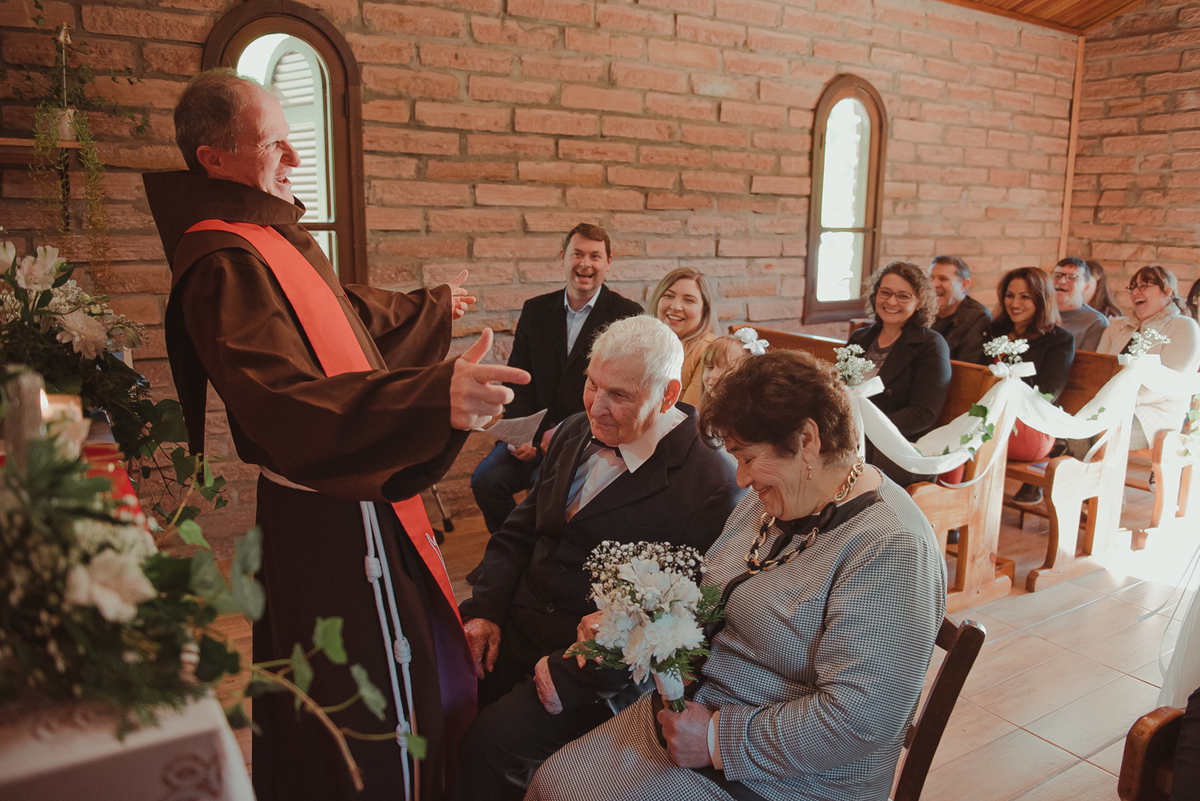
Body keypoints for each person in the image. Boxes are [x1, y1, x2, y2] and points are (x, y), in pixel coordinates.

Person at [144, 69, 530, 801]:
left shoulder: (266, 236)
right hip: (326, 512)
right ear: (213, 159)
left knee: (406, 660)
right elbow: (282, 402)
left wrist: (432, 305)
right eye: (275, 145)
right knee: (364, 686)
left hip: (355, 496)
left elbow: (344, 315)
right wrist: (432, 395)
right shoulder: (222, 262)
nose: (296, 159)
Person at [526, 349, 947, 801]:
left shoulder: (890, 545)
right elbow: (713, 597)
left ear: (807, 440)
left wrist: (715, 739)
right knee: (552, 781)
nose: (741, 479)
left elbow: (860, 719)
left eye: (748, 458)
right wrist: (634, 622)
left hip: (789, 775)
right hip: (692, 713)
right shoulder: (772, 498)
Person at [453, 316, 742, 801]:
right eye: (592, 384)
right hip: (516, 623)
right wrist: (484, 610)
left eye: (619, 395)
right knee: (441, 703)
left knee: (489, 746)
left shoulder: (711, 481)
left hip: (595, 669)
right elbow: (519, 531)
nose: (596, 406)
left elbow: (684, 616)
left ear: (668, 395)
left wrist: (574, 679)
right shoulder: (574, 429)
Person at [469, 223, 643, 544]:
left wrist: (564, 431)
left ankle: (536, 556)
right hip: (531, 436)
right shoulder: (534, 310)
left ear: (608, 262)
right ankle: (512, 549)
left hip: (586, 439)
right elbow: (518, 378)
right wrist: (520, 435)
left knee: (543, 490)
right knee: (485, 481)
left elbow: (620, 396)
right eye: (577, 254)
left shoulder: (627, 316)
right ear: (563, 257)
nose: (585, 264)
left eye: (595, 256)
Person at [848, 261, 951, 487]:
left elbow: (923, 413)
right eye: (885, 292)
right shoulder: (860, 338)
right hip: (854, 438)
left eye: (903, 296)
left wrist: (867, 431)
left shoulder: (931, 344)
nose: (891, 302)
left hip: (900, 448)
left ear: (919, 301)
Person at [982, 268, 1075, 507]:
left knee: (964, 436)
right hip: (989, 416)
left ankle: (967, 506)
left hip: (1030, 425)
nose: (1015, 304)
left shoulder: (1059, 339)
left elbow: (1047, 392)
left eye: (1025, 297)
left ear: (1042, 299)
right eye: (1010, 295)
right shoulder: (994, 331)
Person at [1096, 265, 1200, 451]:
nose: (1135, 292)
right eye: (1133, 287)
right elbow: (1098, 369)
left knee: (1096, 432)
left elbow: (1168, 383)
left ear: (1167, 291)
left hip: (1154, 414)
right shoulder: (1117, 327)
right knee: (1065, 421)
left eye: (1143, 286)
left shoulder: (1184, 327)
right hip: (1106, 404)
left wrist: (1115, 401)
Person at [647, 267, 717, 408]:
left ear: (704, 310)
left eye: (689, 300)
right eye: (669, 296)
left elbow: (687, 415)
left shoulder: (711, 351)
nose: (675, 306)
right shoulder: (642, 342)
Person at [928, 255, 992, 364]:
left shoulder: (978, 317)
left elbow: (967, 367)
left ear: (964, 285)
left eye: (943, 279)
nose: (934, 284)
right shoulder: (922, 310)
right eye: (930, 278)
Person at [1052, 257, 1108, 351]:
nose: (1062, 281)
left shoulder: (1095, 322)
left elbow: (1086, 359)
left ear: (1085, 288)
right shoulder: (1037, 312)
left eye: (1072, 278)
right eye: (1057, 276)